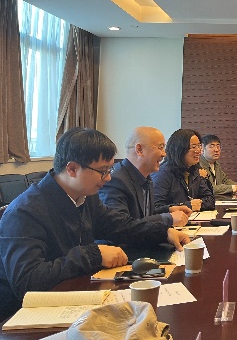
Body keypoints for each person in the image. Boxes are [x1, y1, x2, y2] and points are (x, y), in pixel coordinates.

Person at [0, 128, 190, 320]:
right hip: (28, 316)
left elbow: (120, 226)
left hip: (75, 297)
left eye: (110, 170)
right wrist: (93, 255)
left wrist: (162, 232)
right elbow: (28, 280)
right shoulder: (24, 212)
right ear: (72, 169)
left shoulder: (85, 197)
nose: (108, 178)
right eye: (102, 171)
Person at [99, 127, 191, 226]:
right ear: (139, 150)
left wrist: (169, 210)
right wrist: (168, 218)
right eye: (160, 147)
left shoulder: (146, 177)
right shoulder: (116, 180)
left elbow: (144, 215)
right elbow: (120, 225)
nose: (164, 154)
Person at [152, 129, 215, 212]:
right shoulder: (163, 174)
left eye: (199, 146)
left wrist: (197, 205)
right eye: (194, 147)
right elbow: (154, 208)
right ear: (180, 149)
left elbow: (210, 200)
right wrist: (187, 206)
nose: (199, 151)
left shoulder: (195, 170)